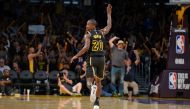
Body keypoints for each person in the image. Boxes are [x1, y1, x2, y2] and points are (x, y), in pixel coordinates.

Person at [71, 4, 112, 109]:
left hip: (92, 59)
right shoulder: (102, 32)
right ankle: (97, 103)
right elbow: (109, 26)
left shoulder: (88, 35)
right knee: (99, 82)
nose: (86, 26)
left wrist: (76, 56)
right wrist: (108, 14)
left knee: (89, 82)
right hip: (101, 59)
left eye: (87, 25)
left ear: (93, 25)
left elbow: (86, 48)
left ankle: (92, 88)